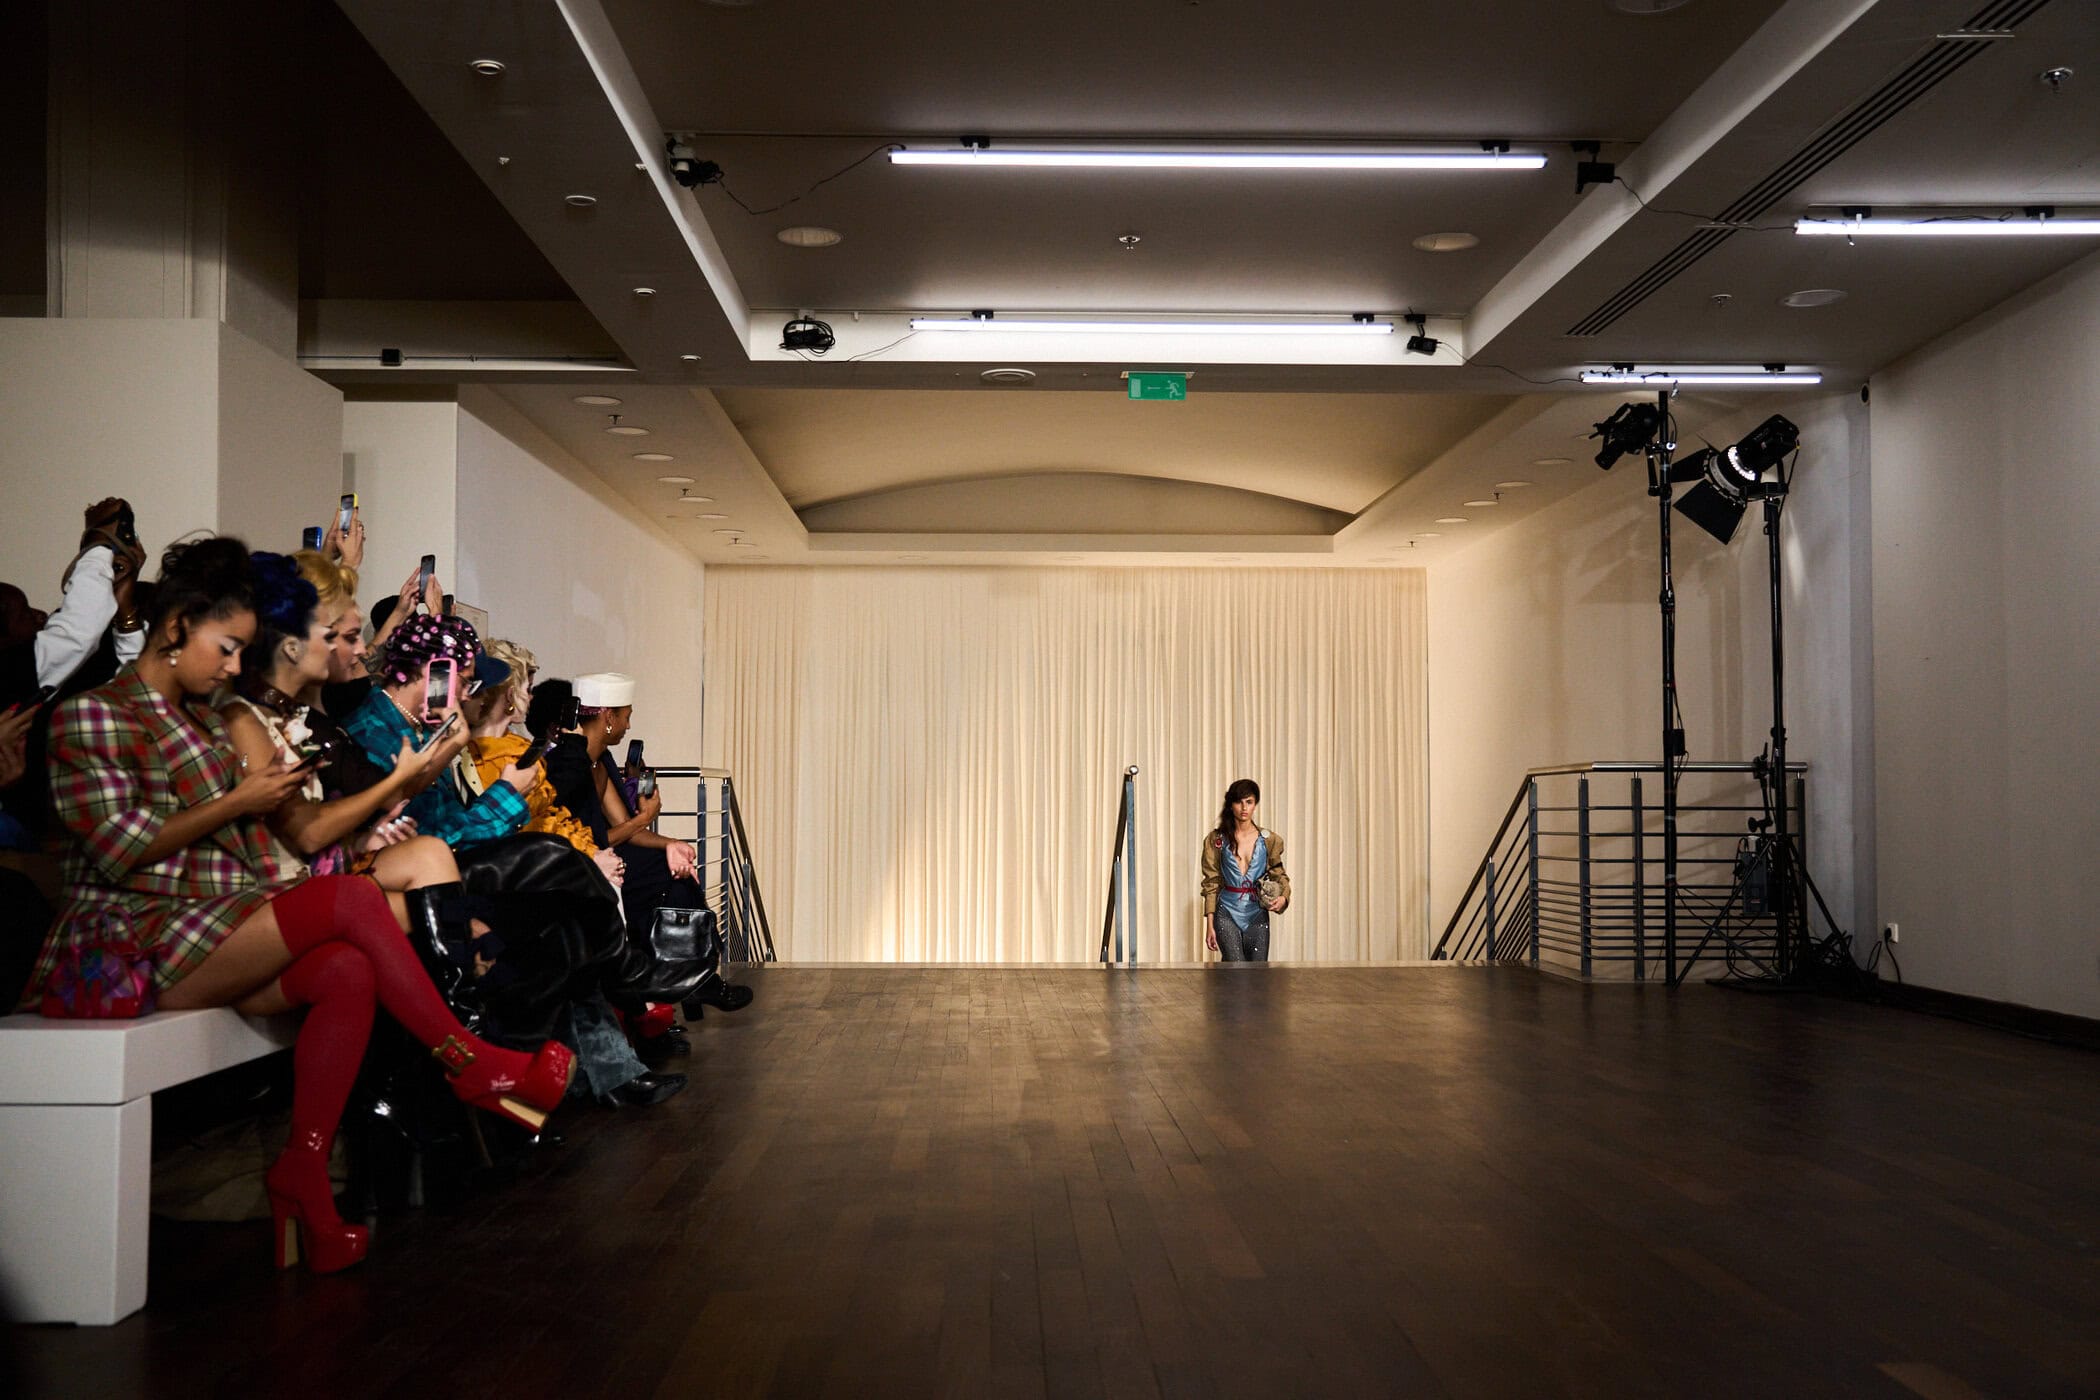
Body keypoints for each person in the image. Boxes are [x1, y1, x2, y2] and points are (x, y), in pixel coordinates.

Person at [20, 537, 573, 1274]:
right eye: (226, 647)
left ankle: (304, 1171)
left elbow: (285, 836)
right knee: (350, 901)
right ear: (177, 626)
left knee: (347, 969)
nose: (231, 666)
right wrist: (244, 802)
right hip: (130, 940)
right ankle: (468, 1061)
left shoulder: (211, 716)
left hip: (212, 925)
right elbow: (122, 851)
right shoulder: (92, 715)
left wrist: (354, 807)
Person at [547, 672, 752, 1016]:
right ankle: (682, 985)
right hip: (580, 864)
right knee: (659, 880)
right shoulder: (568, 765)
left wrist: (670, 843)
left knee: (675, 872)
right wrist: (644, 818)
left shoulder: (600, 760)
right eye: (626, 716)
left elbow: (624, 828)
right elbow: (593, 839)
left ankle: (695, 979)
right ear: (608, 717)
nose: (628, 726)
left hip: (607, 852)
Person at [1201, 778, 1291, 963]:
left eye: (1249, 802)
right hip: (1226, 911)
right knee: (1236, 969)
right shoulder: (1217, 840)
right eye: (1238, 802)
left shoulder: (1269, 840)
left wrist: (1283, 897)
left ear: (1255, 804)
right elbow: (1211, 883)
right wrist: (1210, 925)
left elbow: (1279, 875)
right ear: (1230, 805)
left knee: (1258, 971)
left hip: (1257, 912)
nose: (1244, 807)